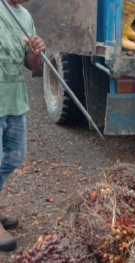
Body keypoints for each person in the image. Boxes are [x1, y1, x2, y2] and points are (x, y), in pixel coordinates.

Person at [0, 0, 46, 251]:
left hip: (15, 101)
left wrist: (36, 51)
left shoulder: (25, 16)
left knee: (14, 157)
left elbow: (31, 65)